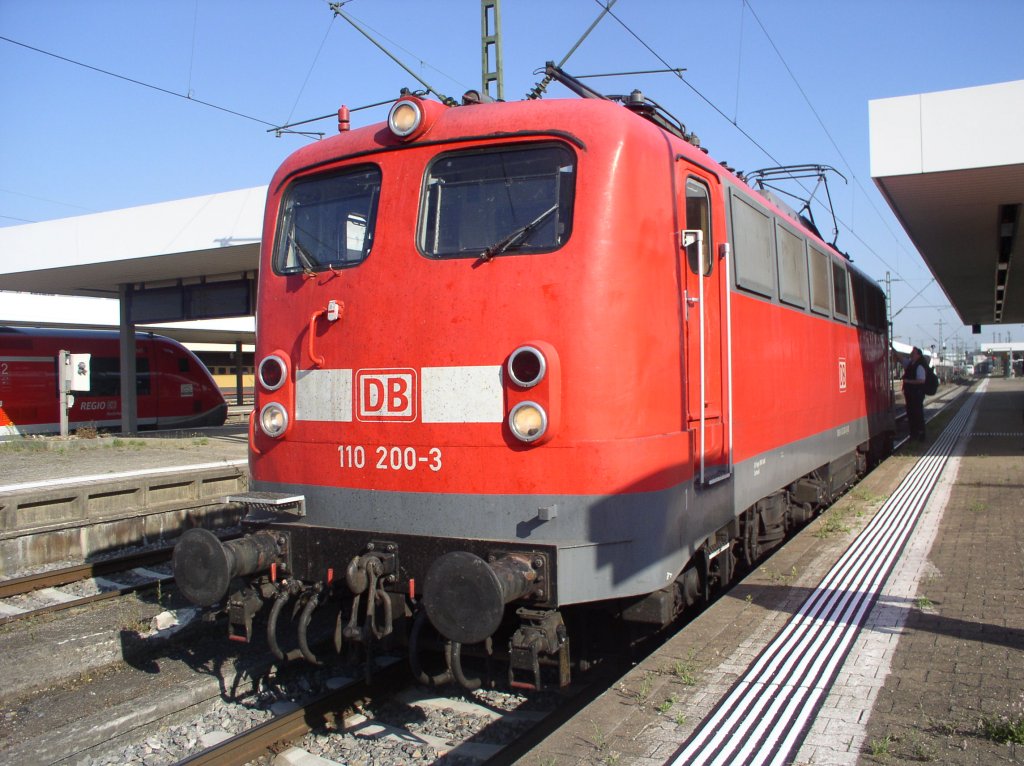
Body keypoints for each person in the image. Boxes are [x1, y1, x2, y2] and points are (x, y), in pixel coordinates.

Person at [902, 346, 927, 441]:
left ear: (918, 355)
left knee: (917, 414)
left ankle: (920, 435)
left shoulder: (919, 366)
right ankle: (914, 434)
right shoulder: (911, 364)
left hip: (917, 394)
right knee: (911, 414)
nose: (911, 353)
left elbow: (921, 380)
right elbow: (901, 359)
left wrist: (908, 381)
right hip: (911, 394)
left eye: (913, 352)